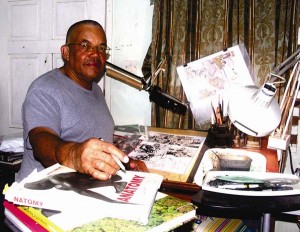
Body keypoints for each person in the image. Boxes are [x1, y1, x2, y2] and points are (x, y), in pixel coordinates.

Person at [16, 20, 137, 182]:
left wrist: (125, 163)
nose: (95, 54)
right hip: (43, 194)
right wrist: (75, 155)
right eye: (85, 46)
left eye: (101, 48)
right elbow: (41, 141)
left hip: (88, 188)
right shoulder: (44, 89)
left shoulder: (96, 90)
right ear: (66, 52)